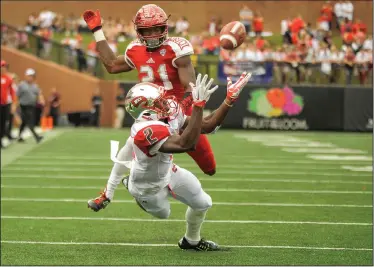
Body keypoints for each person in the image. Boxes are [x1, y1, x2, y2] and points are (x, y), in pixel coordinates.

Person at [87, 72, 251, 251]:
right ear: (147, 111)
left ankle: (191, 240)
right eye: (159, 102)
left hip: (168, 171)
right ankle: (132, 186)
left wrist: (229, 100)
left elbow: (207, 125)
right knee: (164, 213)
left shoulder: (167, 113)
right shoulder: (145, 131)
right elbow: (185, 144)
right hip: (147, 187)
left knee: (204, 203)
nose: (166, 103)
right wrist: (197, 106)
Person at [83, 4, 217, 176]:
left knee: (209, 167)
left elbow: (191, 88)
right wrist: (97, 30)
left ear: (164, 27)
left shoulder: (176, 48)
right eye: (147, 31)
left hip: (181, 110)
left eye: (156, 29)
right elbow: (112, 65)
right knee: (151, 167)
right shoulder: (135, 49)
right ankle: (113, 190)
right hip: (151, 115)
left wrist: (177, 112)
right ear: (139, 31)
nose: (152, 35)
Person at [16, 68, 43, 143]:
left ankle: (19, 136)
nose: (30, 77)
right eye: (29, 76)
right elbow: (17, 95)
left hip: (32, 106)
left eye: (31, 76)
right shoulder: (22, 85)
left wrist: (41, 100)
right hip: (24, 106)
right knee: (29, 121)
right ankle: (36, 136)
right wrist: (15, 105)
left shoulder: (35, 86)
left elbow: (39, 94)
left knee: (24, 122)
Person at [0, 60, 16, 148]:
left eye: (4, 67)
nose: (3, 68)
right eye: (2, 66)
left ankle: (1, 139)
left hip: (5, 104)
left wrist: (13, 104)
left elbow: (12, 92)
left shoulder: (9, 79)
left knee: (3, 122)